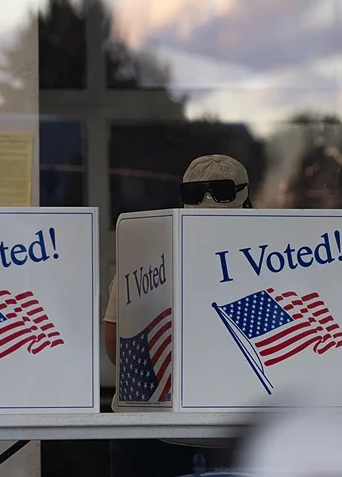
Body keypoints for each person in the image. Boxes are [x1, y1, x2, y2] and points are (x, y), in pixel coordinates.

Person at [104, 154, 249, 477]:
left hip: (150, 426)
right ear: (246, 201)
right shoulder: (270, 261)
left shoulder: (142, 257)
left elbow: (117, 347)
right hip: (230, 431)